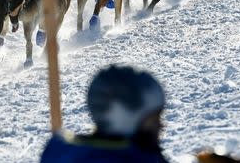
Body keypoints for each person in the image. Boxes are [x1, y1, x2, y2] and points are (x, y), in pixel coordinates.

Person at [40, 64, 169, 162]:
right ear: (125, 117)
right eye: (154, 119)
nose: (161, 125)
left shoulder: (59, 153)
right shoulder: (133, 159)